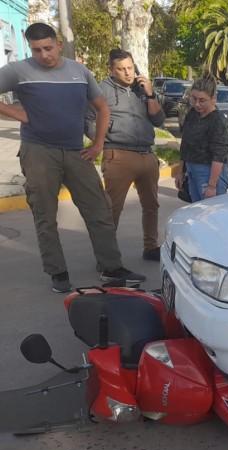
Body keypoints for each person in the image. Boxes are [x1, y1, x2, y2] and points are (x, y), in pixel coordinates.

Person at [0, 23, 145, 292]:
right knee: (45, 214)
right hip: (39, 152)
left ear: (58, 44)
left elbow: (102, 108)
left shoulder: (79, 71)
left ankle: (111, 268)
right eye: (36, 50)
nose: (43, 55)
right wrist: (18, 114)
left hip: (77, 150)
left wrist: (98, 143)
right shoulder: (19, 70)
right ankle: (58, 273)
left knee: (99, 209)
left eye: (47, 48)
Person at [86, 49, 166, 262]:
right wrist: (102, 140)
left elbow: (158, 119)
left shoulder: (142, 88)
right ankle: (106, 256)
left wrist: (149, 93)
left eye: (130, 68)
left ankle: (151, 247)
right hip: (118, 155)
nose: (128, 73)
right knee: (112, 209)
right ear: (111, 69)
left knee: (151, 206)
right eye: (121, 69)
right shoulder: (101, 90)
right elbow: (88, 120)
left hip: (147, 154)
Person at [175, 77, 228, 202]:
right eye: (194, 99)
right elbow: (185, 144)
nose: (197, 104)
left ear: (213, 98)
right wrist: (180, 172)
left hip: (210, 173)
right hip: (191, 170)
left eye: (202, 100)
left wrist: (212, 186)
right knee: (197, 212)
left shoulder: (218, 121)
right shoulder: (192, 114)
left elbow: (219, 156)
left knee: (211, 214)